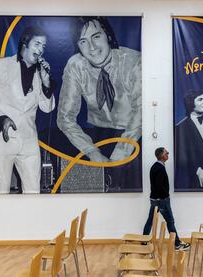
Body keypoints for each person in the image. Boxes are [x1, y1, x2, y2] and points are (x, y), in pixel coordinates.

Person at [57, 16, 141, 191]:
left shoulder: (134, 61)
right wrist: (92, 152)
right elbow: (65, 118)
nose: (92, 47)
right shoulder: (75, 66)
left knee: (131, 193)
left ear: (108, 35)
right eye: (83, 41)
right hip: (96, 136)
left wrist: (121, 153)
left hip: (134, 135)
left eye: (96, 37)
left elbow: (141, 112)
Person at [0, 26, 55, 194]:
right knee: (0, 191)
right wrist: (1, 118)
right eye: (37, 44)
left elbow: (47, 108)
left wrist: (46, 83)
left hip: (29, 140)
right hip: (2, 137)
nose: (40, 50)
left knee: (33, 191)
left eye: (43, 46)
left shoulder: (39, 74)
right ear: (24, 43)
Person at [143, 147, 190, 250]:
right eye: (166, 153)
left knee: (150, 220)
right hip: (161, 200)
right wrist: (165, 195)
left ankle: (144, 241)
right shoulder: (159, 168)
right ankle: (177, 244)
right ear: (161, 155)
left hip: (155, 199)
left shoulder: (155, 167)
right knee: (170, 221)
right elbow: (159, 186)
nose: (168, 154)